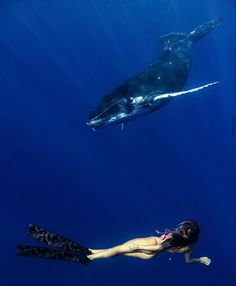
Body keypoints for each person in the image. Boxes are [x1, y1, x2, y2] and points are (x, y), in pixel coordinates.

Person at [16, 220, 211, 266]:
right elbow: (187, 260)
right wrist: (200, 260)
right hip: (148, 257)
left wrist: (139, 246)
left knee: (116, 249)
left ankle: (89, 257)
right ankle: (90, 252)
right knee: (113, 251)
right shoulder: (186, 247)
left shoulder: (169, 238)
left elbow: (159, 246)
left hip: (148, 247)